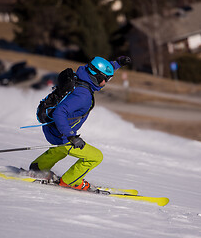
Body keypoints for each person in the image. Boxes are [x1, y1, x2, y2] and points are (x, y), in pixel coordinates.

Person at [29, 56, 131, 191]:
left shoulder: (82, 76)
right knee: (95, 157)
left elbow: (99, 68)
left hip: (52, 128)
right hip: (62, 134)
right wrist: (71, 136)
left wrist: (117, 64)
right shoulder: (83, 95)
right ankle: (70, 180)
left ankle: (38, 168)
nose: (105, 83)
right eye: (106, 79)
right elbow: (59, 113)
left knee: (61, 149)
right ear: (97, 77)